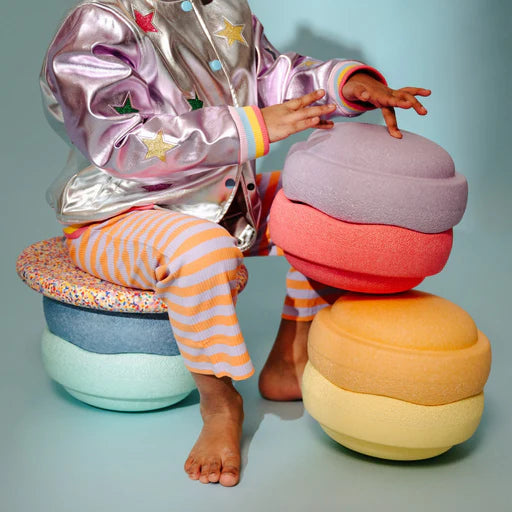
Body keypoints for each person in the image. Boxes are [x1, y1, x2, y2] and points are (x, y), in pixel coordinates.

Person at [40, 0, 430, 487]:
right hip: (120, 215)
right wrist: (253, 126)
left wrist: (345, 85)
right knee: (203, 251)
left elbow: (270, 75)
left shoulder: (224, 7)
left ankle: (292, 352)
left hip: (225, 200)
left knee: (331, 201)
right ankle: (221, 403)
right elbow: (121, 142)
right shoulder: (98, 23)